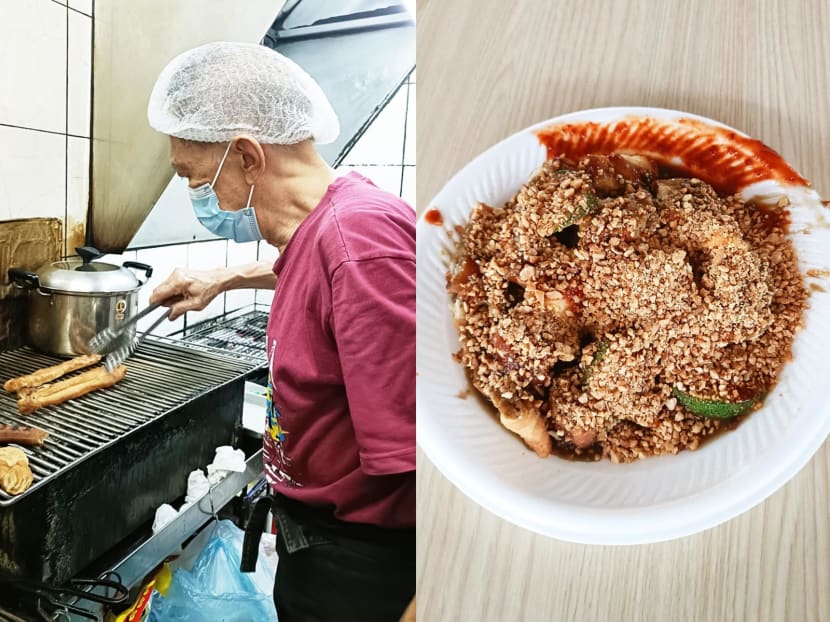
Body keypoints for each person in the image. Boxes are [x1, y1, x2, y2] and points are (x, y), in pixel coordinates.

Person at [146, 42, 415, 621]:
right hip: (322, 546)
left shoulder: (361, 245)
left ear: (246, 155)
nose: (200, 196)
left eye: (194, 176)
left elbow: (425, 468)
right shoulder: (333, 227)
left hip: (361, 571)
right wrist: (220, 279)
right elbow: (318, 266)